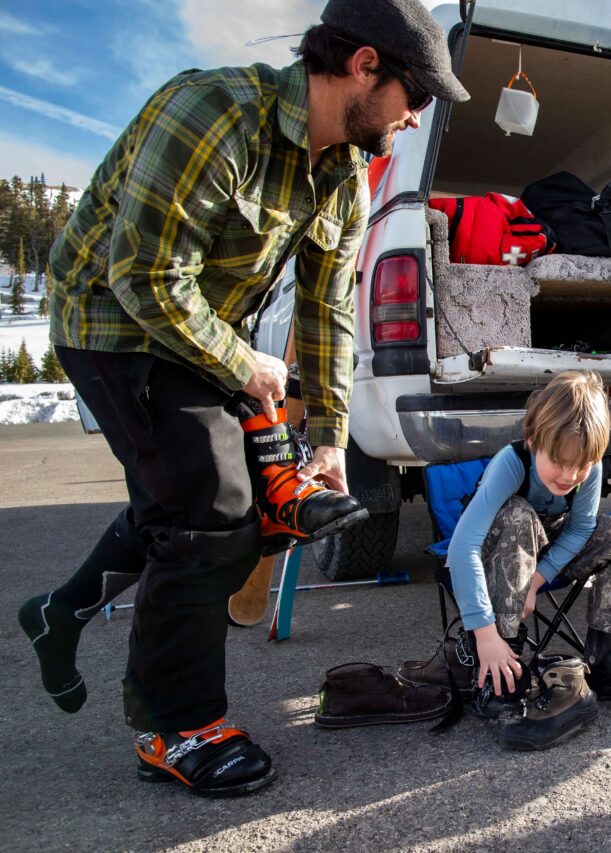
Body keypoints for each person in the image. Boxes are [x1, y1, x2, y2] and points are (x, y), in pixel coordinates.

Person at [16, 0, 469, 798]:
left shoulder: (343, 177)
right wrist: (245, 364)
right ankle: (176, 726)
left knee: (226, 505)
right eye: (417, 95)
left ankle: (60, 611)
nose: (416, 117)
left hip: (195, 335)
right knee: (210, 517)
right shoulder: (217, 112)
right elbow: (147, 276)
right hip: (111, 323)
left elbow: (328, 310)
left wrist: (328, 438)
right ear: (365, 67)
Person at [446, 371, 611, 749]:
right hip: (499, 549)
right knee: (518, 515)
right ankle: (502, 669)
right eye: (559, 462)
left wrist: (539, 578)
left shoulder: (588, 466)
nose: (570, 476)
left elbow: (581, 529)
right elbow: (463, 547)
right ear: (534, 441)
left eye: (582, 465)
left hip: (548, 549)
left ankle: (610, 659)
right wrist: (483, 632)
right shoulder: (512, 462)